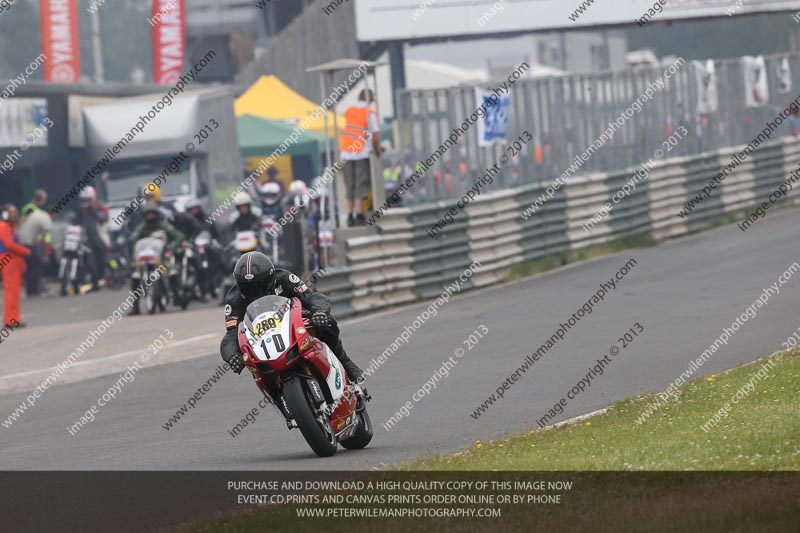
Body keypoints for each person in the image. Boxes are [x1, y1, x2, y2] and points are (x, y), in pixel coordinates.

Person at [219, 251, 364, 381]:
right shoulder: (233, 299)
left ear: (270, 277)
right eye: (246, 286)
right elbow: (231, 334)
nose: (254, 290)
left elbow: (311, 297)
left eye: (259, 284)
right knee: (251, 361)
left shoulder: (285, 278)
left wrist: (320, 312)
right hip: (261, 337)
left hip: (292, 322)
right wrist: (232, 356)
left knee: (327, 322)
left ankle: (345, 362)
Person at [128, 204, 186, 315]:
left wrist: (171, 251)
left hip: (162, 258)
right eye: (148, 214)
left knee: (172, 272)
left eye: (152, 214)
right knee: (135, 277)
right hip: (144, 259)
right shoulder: (141, 228)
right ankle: (135, 307)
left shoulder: (163, 226)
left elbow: (179, 236)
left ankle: (177, 296)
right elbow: (134, 241)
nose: (150, 216)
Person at [341, 88, 383, 227]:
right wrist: (377, 149)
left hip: (346, 153)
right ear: (370, 99)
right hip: (361, 153)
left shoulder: (350, 111)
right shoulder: (369, 113)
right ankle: (359, 215)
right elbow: (375, 136)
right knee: (360, 185)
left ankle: (349, 216)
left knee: (350, 186)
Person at [0, 205, 31, 328]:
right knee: (11, 291)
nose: (14, 214)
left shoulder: (11, 227)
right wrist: (25, 251)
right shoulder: (3, 227)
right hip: (8, 261)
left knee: (15, 291)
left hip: (14, 261)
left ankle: (14, 318)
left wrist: (22, 262)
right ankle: (10, 320)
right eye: (11, 212)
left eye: (15, 212)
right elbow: (9, 244)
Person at [18, 189, 53, 296]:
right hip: (28, 242)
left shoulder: (36, 210)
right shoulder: (30, 209)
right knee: (34, 264)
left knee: (34, 265)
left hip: (31, 241)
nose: (45, 201)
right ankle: (34, 290)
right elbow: (23, 222)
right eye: (44, 199)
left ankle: (35, 288)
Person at [76, 186, 108, 291]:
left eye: (88, 200)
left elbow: (104, 218)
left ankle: (104, 278)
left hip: (100, 236)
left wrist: (94, 209)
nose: (86, 202)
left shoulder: (99, 205)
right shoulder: (81, 209)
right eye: (84, 200)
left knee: (102, 259)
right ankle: (92, 281)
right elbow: (76, 220)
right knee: (89, 260)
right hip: (86, 239)